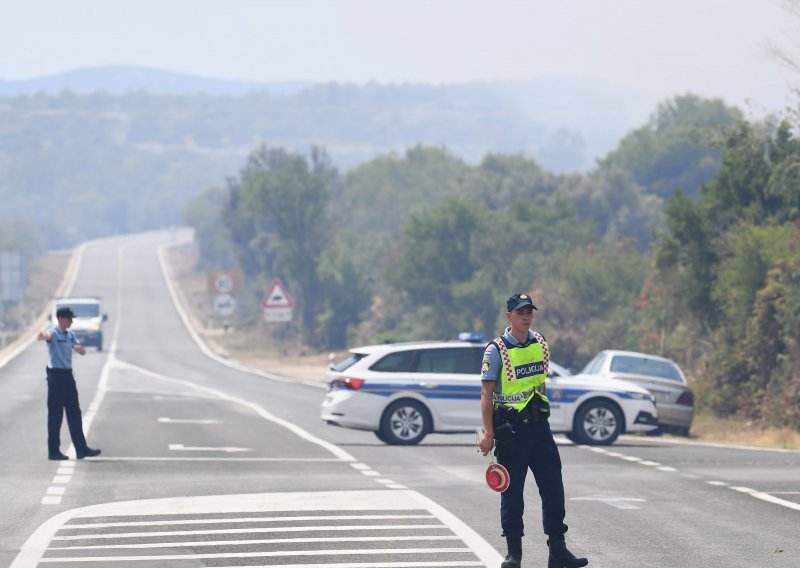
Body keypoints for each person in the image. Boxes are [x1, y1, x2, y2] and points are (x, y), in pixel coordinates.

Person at [479, 293, 587, 568]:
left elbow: (540, 384)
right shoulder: (496, 350)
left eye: (529, 312)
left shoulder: (540, 342)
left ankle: (558, 551)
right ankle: (514, 553)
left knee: (553, 487)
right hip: (511, 430)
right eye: (520, 312)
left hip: (539, 428)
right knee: (512, 493)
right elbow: (486, 393)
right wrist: (489, 434)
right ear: (509, 317)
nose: (526, 316)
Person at [37, 306, 101, 461]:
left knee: (74, 413)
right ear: (61, 319)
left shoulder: (71, 334)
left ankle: (81, 449)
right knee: (56, 415)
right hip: (56, 376)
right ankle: (53, 451)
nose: (71, 321)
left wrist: (79, 349)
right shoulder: (54, 332)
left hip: (67, 376)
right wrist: (42, 335)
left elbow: (82, 351)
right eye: (69, 318)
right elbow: (46, 336)